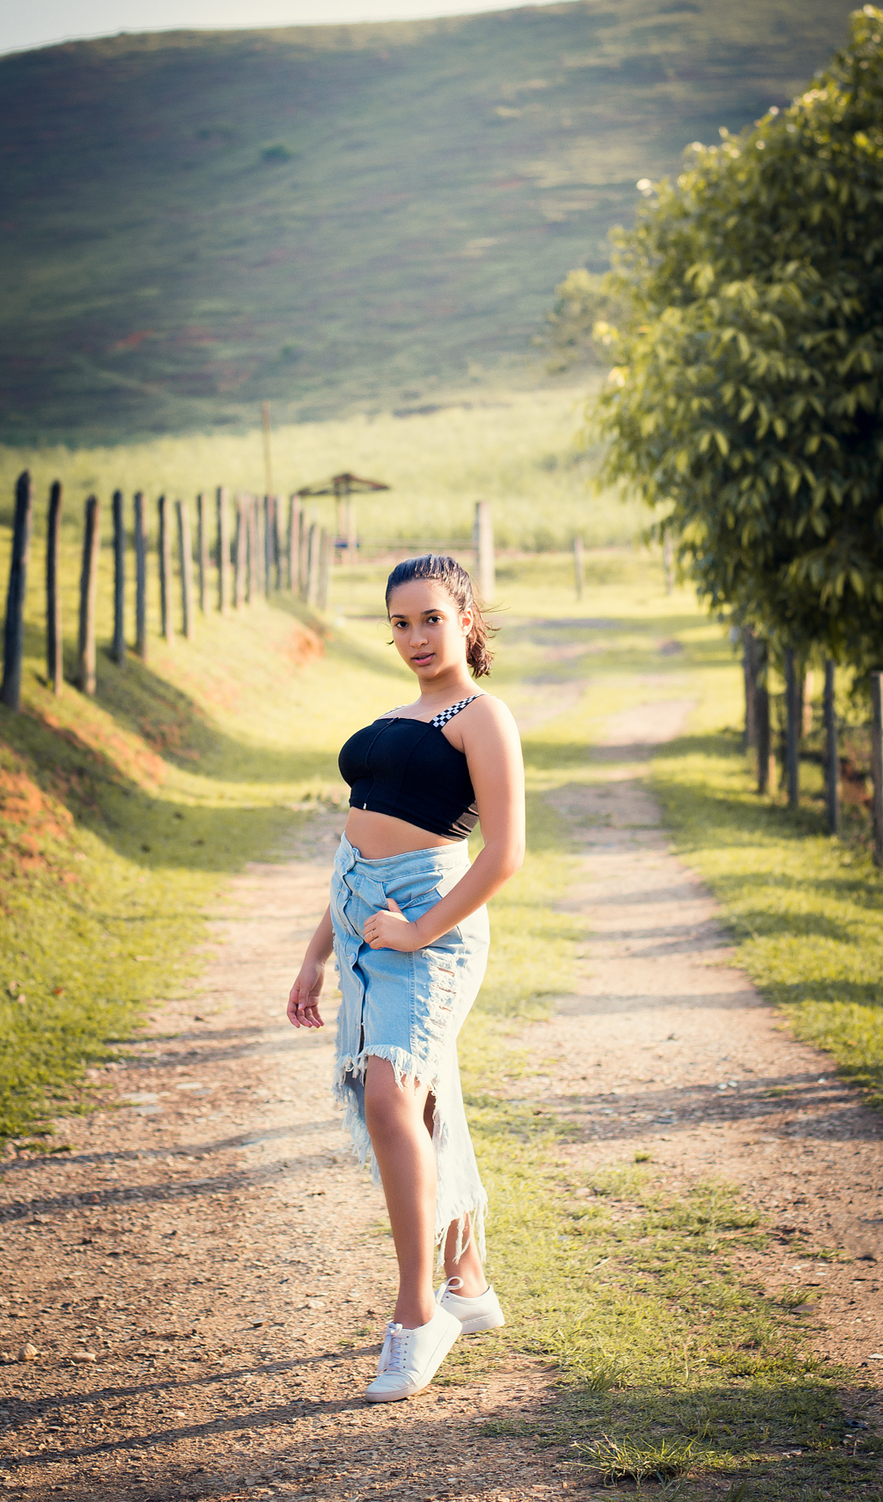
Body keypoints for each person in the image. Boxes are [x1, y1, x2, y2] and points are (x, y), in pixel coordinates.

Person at [287, 553, 525, 1402]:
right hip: (361, 918)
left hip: (430, 927)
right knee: (425, 1104)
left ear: (465, 619)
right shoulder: (397, 713)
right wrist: (319, 948)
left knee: (391, 1095)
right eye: (400, 622)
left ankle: (419, 1315)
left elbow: (504, 853)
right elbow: (359, 848)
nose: (416, 636)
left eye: (431, 618)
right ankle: (469, 1282)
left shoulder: (482, 716)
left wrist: (421, 928)